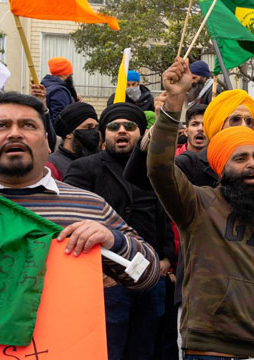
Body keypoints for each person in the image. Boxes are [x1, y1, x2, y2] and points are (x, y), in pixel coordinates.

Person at [148, 58, 254, 357]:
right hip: (210, 349)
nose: (252, 165)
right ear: (221, 168)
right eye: (240, 158)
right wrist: (174, 101)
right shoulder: (198, 205)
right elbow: (159, 169)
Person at [0, 91, 159, 289]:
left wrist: (114, 241)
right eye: (0, 126)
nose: (15, 134)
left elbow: (148, 273)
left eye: (28, 125)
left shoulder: (90, 206)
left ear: (47, 142)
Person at [65, 102, 175, 360]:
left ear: (141, 132)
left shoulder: (155, 172)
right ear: (104, 134)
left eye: (130, 126)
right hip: (106, 282)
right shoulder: (85, 168)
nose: (122, 131)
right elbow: (72, 220)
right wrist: (99, 272)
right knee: (107, 351)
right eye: (114, 127)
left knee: (145, 350)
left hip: (150, 278)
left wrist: (167, 259)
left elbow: (165, 217)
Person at [175, 89, 254, 188]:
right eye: (235, 120)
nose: (244, 126)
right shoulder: (188, 165)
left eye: (249, 121)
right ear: (218, 124)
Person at [48, 102, 100, 179]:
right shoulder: (52, 166)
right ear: (68, 133)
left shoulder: (100, 161)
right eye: (88, 127)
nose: (94, 131)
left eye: (96, 127)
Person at [42, 57, 79, 123]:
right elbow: (60, 120)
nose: (71, 76)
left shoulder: (48, 86)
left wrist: (75, 103)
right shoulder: (59, 91)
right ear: (64, 74)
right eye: (70, 74)